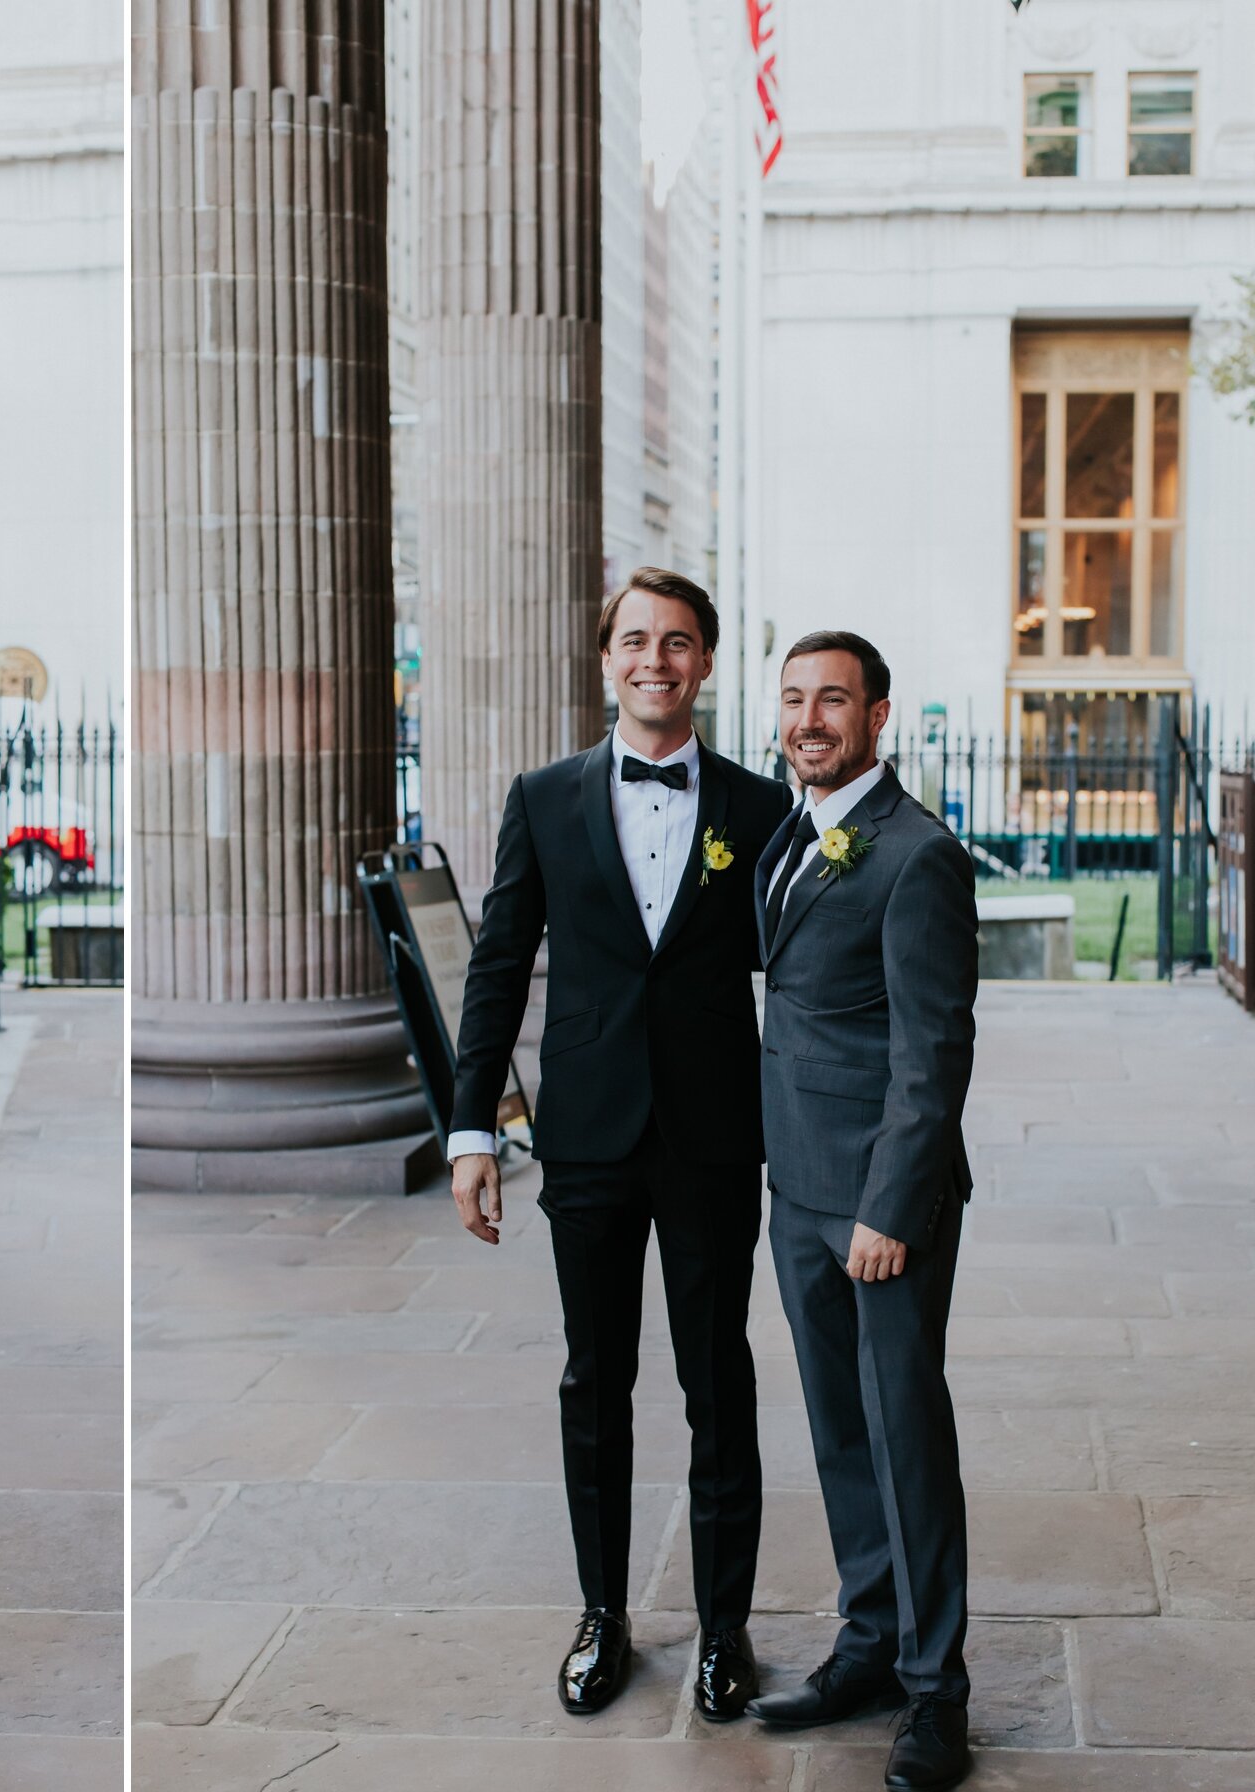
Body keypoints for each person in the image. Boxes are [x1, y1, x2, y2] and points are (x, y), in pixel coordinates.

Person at [446, 568, 793, 1720]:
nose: (657, 658)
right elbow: (497, 967)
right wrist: (471, 1128)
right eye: (636, 639)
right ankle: (603, 1612)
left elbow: (804, 975)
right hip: (586, 1136)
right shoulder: (543, 797)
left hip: (709, 1139)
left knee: (717, 1384)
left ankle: (725, 1629)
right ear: (608, 660)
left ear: (705, 662)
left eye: (679, 641)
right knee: (595, 1380)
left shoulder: (757, 807)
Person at [746, 631, 977, 1792]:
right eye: (793, 698)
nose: (808, 718)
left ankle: (939, 1692)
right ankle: (871, 1644)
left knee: (903, 1436)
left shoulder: (915, 853)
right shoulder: (791, 831)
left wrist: (890, 1204)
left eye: (831, 699)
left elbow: (934, 1050)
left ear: (878, 713)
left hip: (881, 1208)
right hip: (799, 1190)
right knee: (840, 1431)